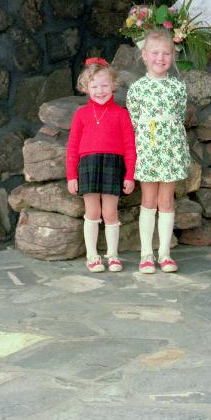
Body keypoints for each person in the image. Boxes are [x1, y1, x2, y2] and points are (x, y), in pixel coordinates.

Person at [126, 29, 190, 273]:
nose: (160, 58)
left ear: (173, 57)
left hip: (171, 150)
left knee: (166, 201)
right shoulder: (137, 89)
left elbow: (179, 117)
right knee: (148, 200)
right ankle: (146, 254)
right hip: (148, 151)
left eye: (166, 53)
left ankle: (165, 253)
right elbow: (133, 122)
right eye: (155, 53)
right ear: (144, 55)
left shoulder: (177, 87)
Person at [66, 57, 136, 273]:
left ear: (113, 85)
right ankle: (92, 256)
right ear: (86, 88)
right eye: (94, 86)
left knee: (110, 212)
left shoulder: (121, 114)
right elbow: (72, 147)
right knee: (93, 211)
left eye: (104, 85)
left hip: (113, 166)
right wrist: (71, 176)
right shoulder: (81, 114)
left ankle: (113, 256)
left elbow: (130, 147)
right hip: (88, 165)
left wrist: (129, 175)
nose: (99, 90)